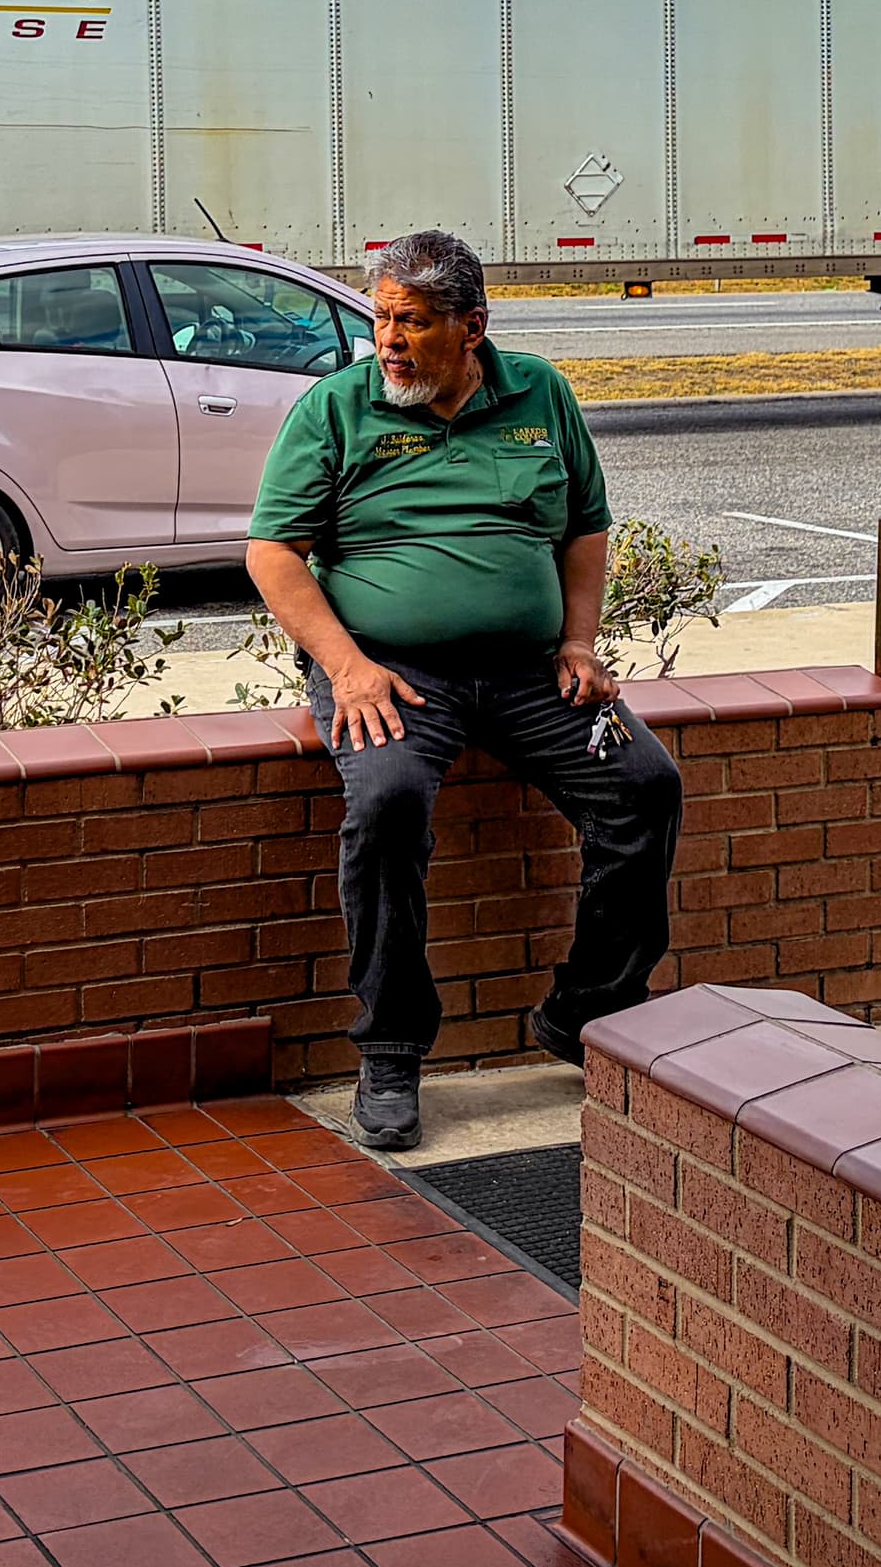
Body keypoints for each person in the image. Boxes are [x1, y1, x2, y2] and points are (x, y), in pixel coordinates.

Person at [245, 225, 684, 1150]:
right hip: (390, 675)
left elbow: (585, 530)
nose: (388, 342)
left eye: (410, 323)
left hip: (532, 673)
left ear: (471, 326)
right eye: (380, 320)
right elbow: (273, 553)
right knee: (392, 804)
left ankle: (589, 1010)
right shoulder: (336, 410)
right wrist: (347, 666)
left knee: (646, 786)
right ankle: (393, 1047)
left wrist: (577, 641)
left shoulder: (540, 395)